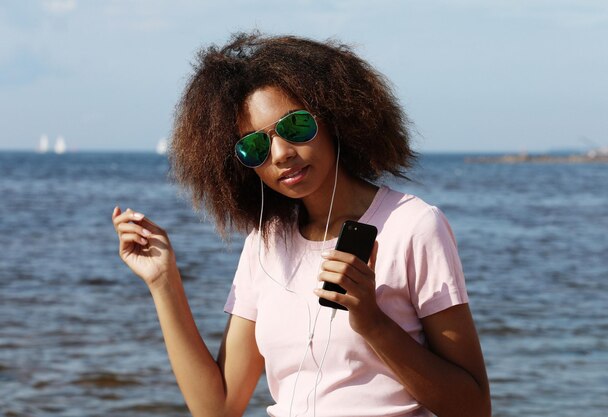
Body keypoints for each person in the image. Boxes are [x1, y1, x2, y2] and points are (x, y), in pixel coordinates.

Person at [112, 32, 490, 417]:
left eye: (294, 128)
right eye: (255, 147)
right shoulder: (266, 242)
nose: (280, 154)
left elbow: (474, 408)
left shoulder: (413, 226)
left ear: (334, 117)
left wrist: (374, 323)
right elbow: (218, 408)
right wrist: (164, 282)